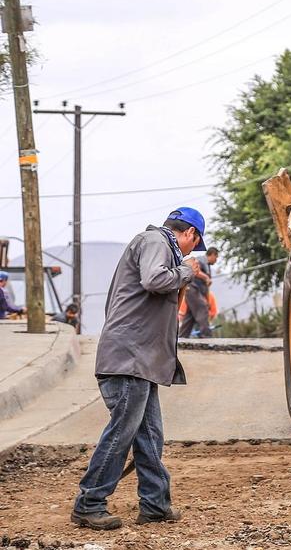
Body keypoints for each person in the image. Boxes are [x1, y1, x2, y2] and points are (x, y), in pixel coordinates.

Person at [72, 207, 205, 530]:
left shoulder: (155, 244)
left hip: (139, 361)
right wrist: (187, 271)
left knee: (149, 436)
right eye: (194, 245)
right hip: (128, 360)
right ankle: (89, 503)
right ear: (190, 234)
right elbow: (155, 279)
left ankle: (155, 504)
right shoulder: (155, 240)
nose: (191, 253)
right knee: (121, 434)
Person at [179, 247, 218, 339]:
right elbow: (195, 271)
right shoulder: (201, 260)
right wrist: (206, 278)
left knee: (190, 317)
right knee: (203, 309)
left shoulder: (207, 265)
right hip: (192, 289)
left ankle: (182, 339)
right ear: (212, 254)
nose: (216, 260)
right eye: (216, 257)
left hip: (196, 292)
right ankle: (207, 338)